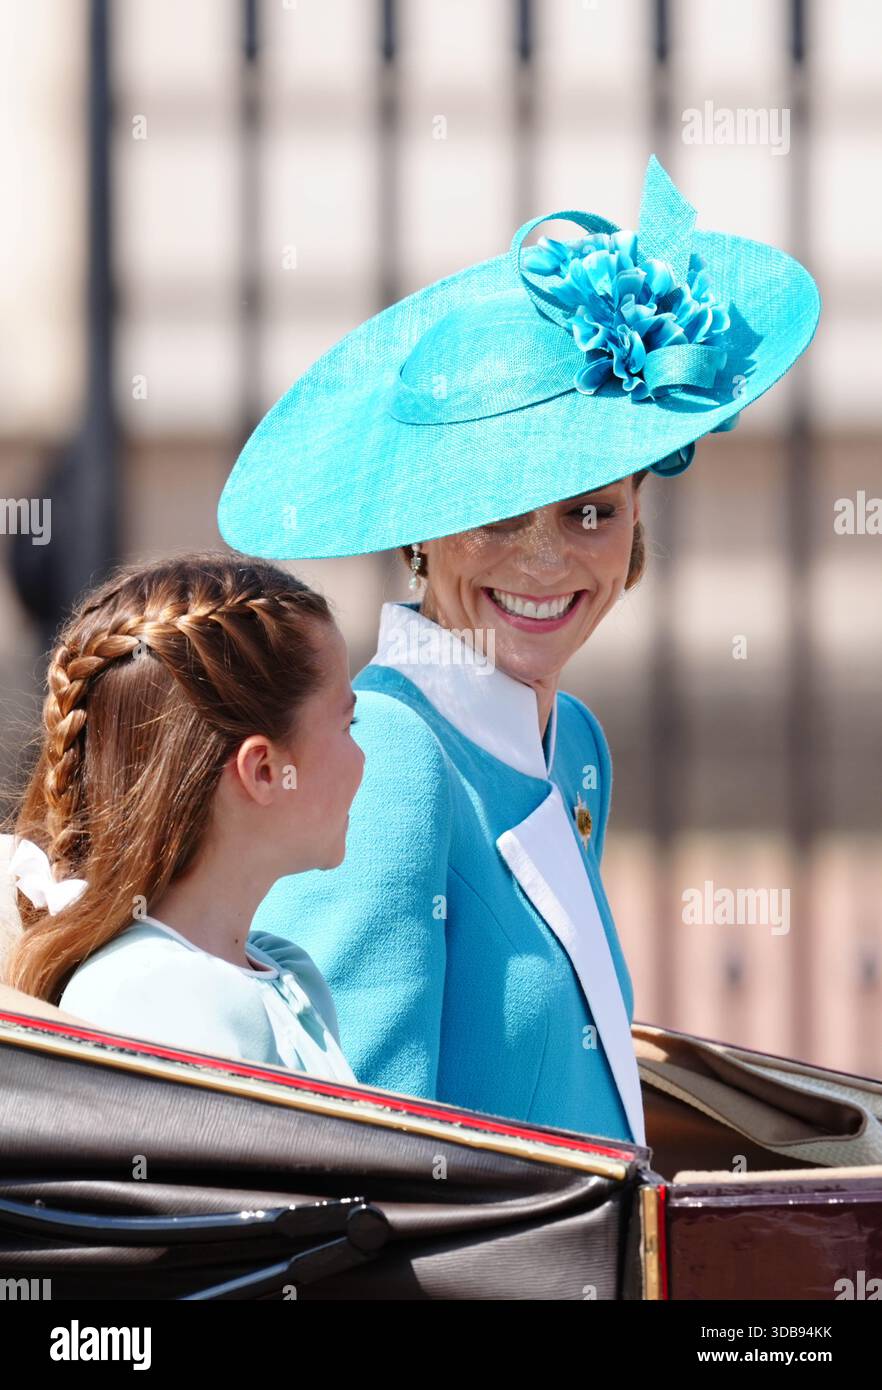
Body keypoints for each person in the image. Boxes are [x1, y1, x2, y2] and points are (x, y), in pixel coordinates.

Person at [217, 155, 821, 1143]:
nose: (543, 562)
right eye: (495, 517)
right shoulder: (388, 757)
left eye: (589, 511)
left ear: (635, 518)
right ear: (421, 533)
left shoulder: (573, 743)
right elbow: (359, 1162)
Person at [1, 553, 363, 1083]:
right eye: (350, 723)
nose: (362, 754)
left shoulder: (284, 971)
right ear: (263, 770)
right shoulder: (152, 996)